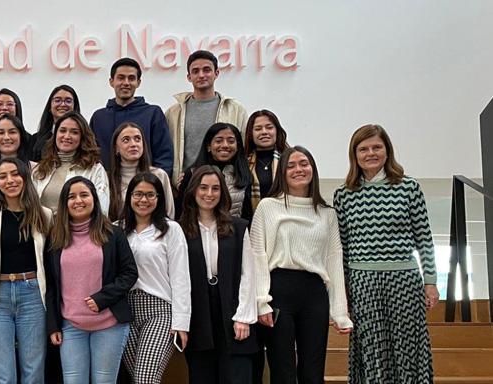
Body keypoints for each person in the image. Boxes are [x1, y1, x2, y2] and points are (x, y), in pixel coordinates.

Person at [334, 125, 435, 383]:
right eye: (363, 148)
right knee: (372, 348)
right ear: (354, 155)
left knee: (407, 347)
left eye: (376, 147)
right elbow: (342, 247)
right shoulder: (343, 195)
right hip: (362, 283)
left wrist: (431, 282)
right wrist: (343, 291)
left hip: (404, 282)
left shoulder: (409, 187)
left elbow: (424, 238)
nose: (370, 153)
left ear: (387, 151)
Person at [250, 146, 352, 384]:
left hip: (314, 293)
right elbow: (257, 255)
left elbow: (334, 261)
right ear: (282, 172)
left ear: (313, 169)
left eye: (304, 163)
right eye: (291, 165)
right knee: (282, 370)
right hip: (279, 292)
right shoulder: (268, 206)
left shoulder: (327, 213)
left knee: (313, 371)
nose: (298, 169)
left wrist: (340, 313)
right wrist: (261, 301)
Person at [44, 176, 137, 384]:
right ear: (64, 203)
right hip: (71, 325)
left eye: (84, 195)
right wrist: (53, 326)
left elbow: (129, 273)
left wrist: (102, 298)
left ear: (94, 199)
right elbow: (51, 285)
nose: (78, 201)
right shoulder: (56, 238)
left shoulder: (113, 234)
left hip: (109, 325)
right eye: (71, 197)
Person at [0, 158, 53, 383]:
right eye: (3, 176)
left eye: (15, 174)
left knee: (33, 372)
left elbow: (50, 262)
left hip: (33, 295)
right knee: (3, 376)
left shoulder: (44, 214)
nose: (10, 180)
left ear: (25, 178)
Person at [177, 166, 259, 384]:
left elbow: (248, 274)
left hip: (232, 311)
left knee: (237, 376)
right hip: (199, 313)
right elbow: (178, 280)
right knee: (202, 376)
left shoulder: (239, 227)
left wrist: (243, 317)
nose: (209, 194)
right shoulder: (180, 230)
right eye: (203, 188)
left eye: (215, 188)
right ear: (193, 191)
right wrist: (181, 323)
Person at [118, 172, 191, 384]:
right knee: (140, 378)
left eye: (150, 195)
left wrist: (181, 323)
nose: (143, 200)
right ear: (129, 196)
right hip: (125, 312)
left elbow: (181, 277)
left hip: (159, 310)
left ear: (159, 198)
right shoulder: (117, 230)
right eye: (138, 194)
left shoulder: (171, 229)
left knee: (145, 378)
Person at [165, 51, 248, 176]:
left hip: (227, 183)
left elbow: (245, 147)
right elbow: (168, 151)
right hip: (187, 184)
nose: (201, 75)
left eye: (207, 70)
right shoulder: (173, 113)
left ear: (216, 73)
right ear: (189, 77)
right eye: (196, 71)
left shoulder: (235, 109)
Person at [91, 58, 173, 175]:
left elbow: (164, 155)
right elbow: (92, 155)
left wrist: (156, 184)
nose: (126, 83)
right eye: (121, 78)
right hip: (107, 187)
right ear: (111, 81)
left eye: (131, 78)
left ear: (138, 82)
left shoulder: (153, 113)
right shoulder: (99, 117)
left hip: (146, 188)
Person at [32, 111, 110, 214]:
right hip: (42, 229)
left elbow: (102, 210)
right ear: (55, 134)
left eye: (74, 132)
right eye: (62, 131)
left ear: (82, 137)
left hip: (78, 229)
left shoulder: (95, 169)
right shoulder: (41, 168)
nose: (67, 136)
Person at [175, 123, 253, 221]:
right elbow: (181, 211)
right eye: (219, 141)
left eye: (231, 141)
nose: (225, 145)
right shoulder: (192, 174)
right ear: (208, 146)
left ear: (238, 146)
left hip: (233, 233)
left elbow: (247, 214)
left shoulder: (243, 173)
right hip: (196, 232)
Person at [107, 122, 174, 218]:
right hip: (118, 231)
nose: (133, 144)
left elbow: (169, 213)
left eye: (137, 139)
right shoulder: (106, 178)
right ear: (116, 148)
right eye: (126, 140)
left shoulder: (159, 175)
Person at [244, 110, 288, 212]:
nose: (264, 132)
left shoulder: (289, 161)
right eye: (258, 129)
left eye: (269, 127)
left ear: (277, 130)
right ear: (251, 133)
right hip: (252, 223)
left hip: (285, 220)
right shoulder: (243, 163)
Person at [32, 85, 81, 161]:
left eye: (68, 101)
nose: (63, 104)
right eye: (57, 100)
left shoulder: (84, 138)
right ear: (50, 107)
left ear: (75, 106)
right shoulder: (35, 140)